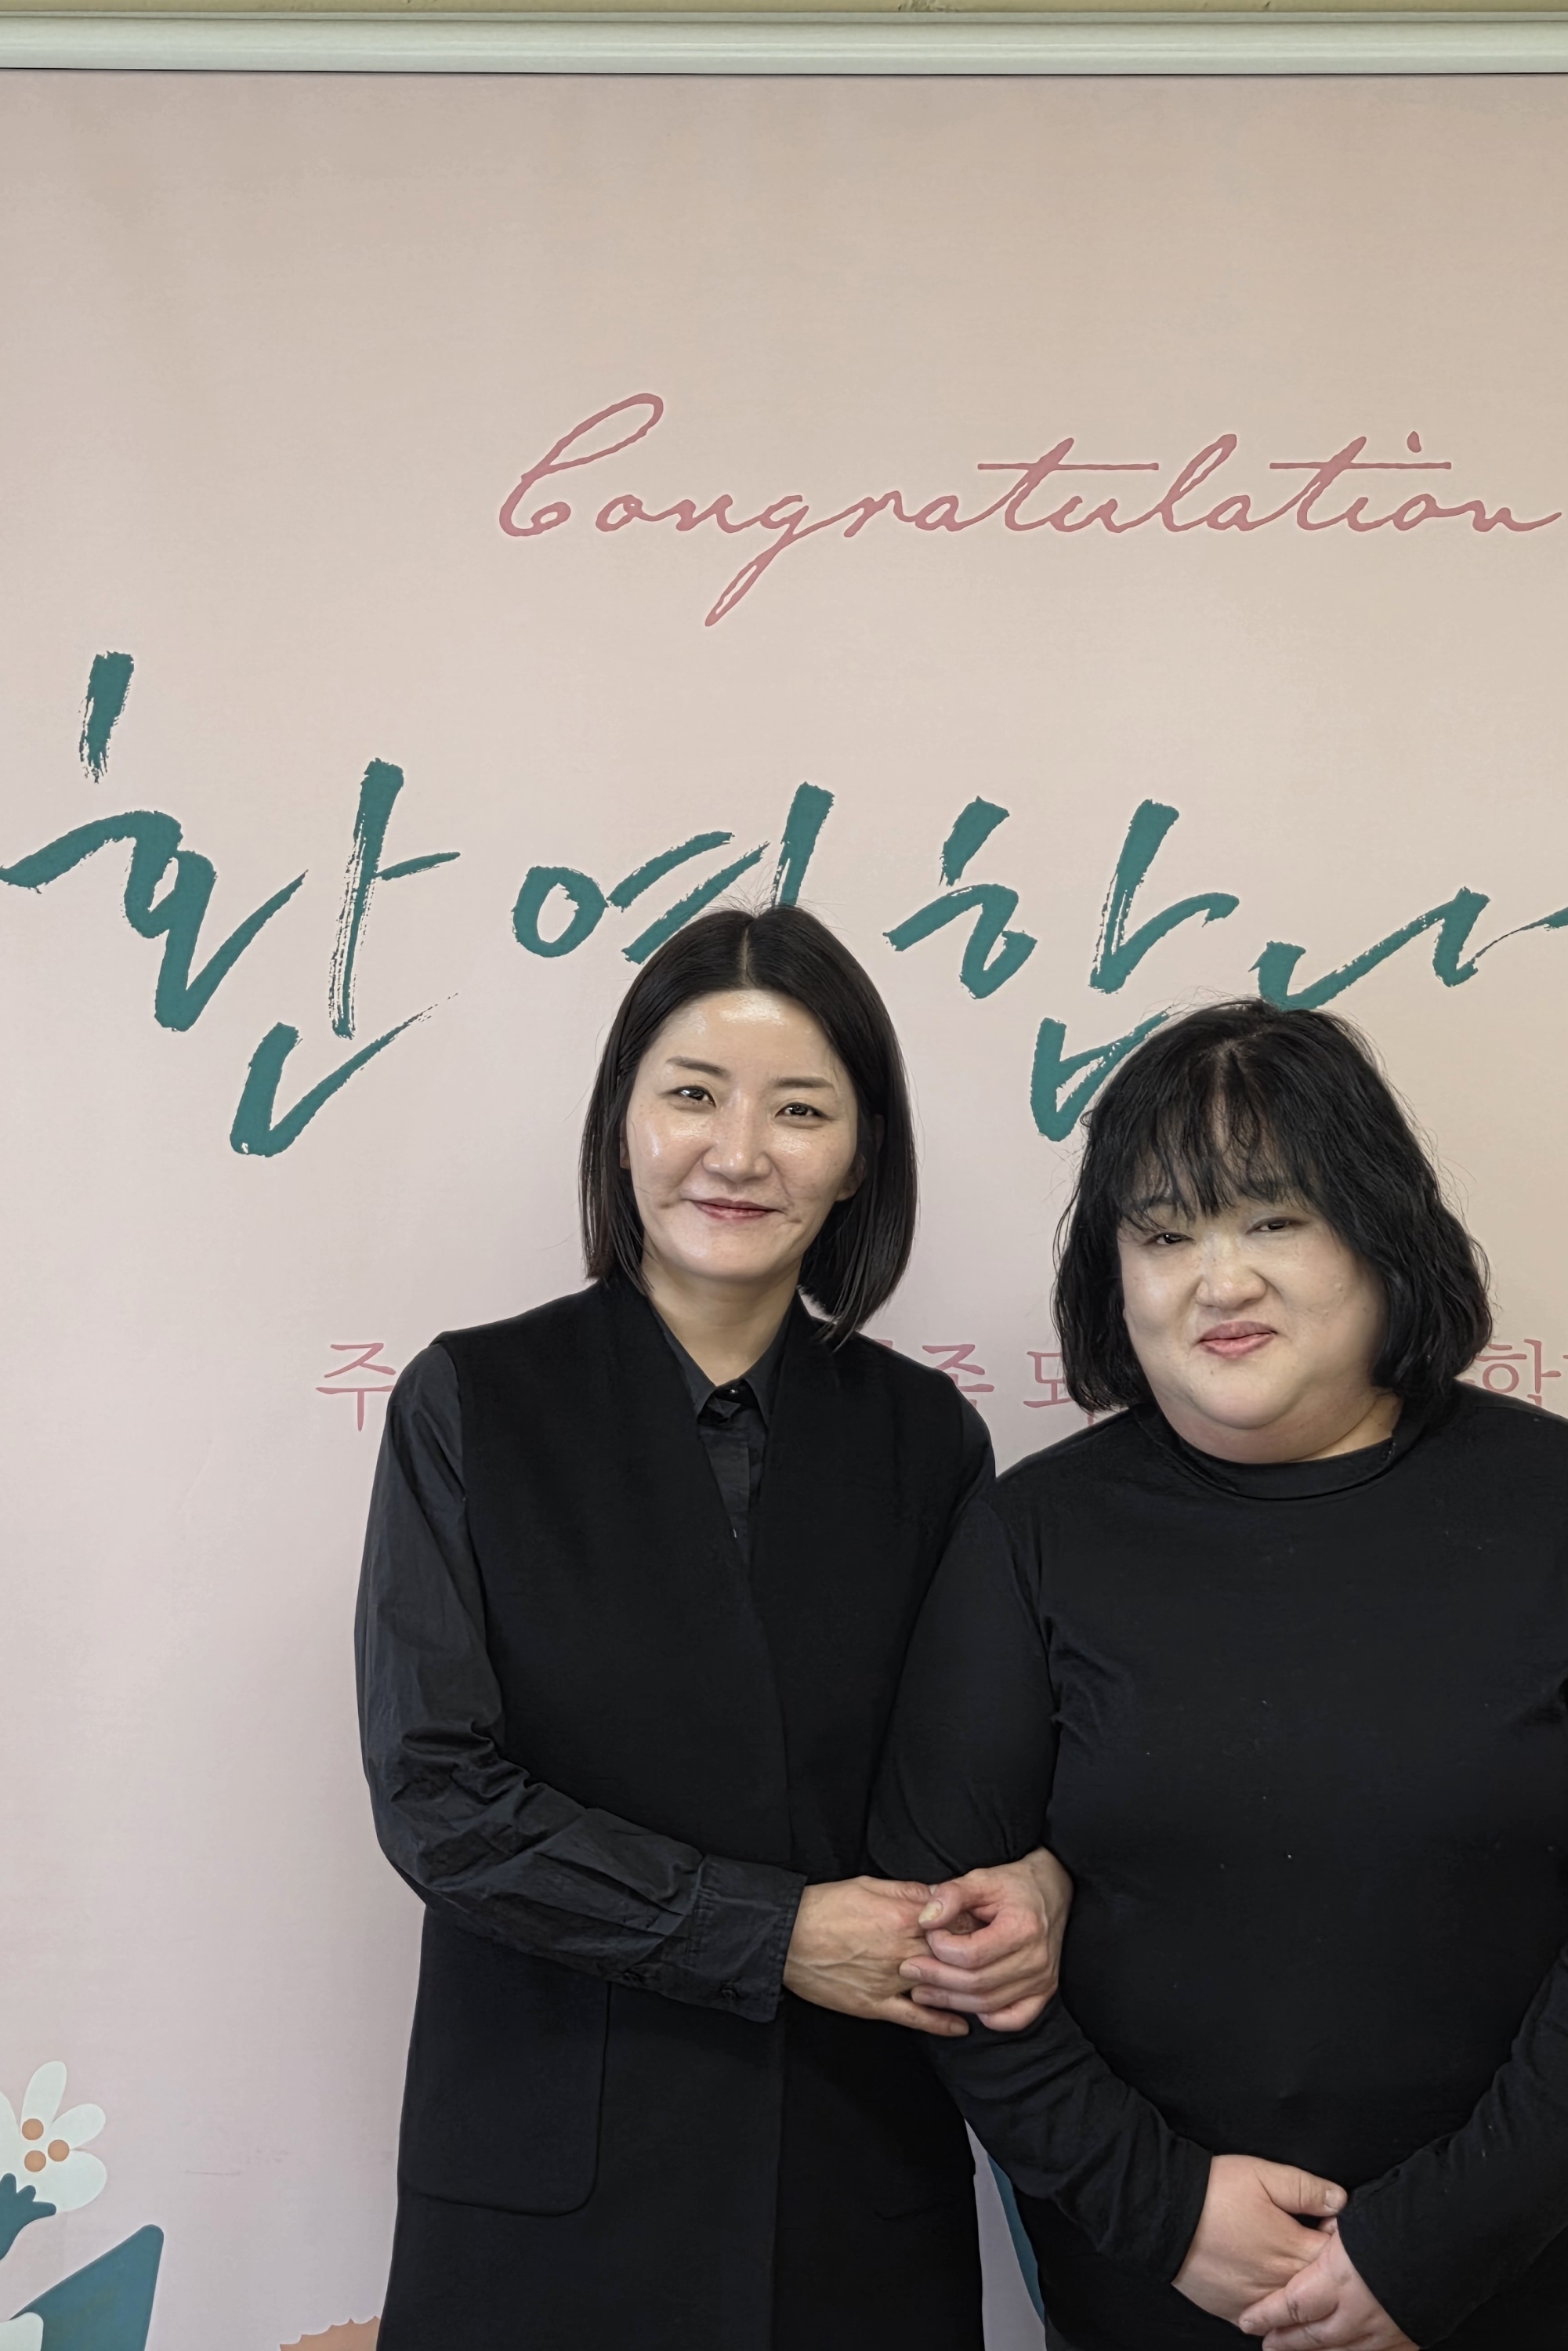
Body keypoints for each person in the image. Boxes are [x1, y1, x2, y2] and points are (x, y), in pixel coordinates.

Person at [873, 999, 1568, 2351]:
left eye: (1274, 1219)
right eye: (1165, 1234)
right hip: (1155, 2305)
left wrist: (1432, 2244)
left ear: (1379, 1231)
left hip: (1515, 2303)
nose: (1220, 1280)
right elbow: (942, 1926)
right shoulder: (1030, 1537)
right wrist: (1166, 2210)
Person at [355, 904, 1070, 2351]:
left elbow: (984, 1790)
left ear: (861, 1154)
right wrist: (772, 1932)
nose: (738, 1153)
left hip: (851, 2181)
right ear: (622, 1120)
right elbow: (440, 1800)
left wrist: (1039, 1885)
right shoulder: (473, 1403)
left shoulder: (926, 1439)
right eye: (693, 1094)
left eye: (800, 1109)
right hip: (547, 2190)